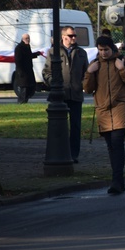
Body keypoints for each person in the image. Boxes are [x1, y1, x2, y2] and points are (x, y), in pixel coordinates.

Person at [83, 36, 125, 194]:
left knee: (117, 142)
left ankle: (117, 181)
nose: (103, 53)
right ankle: (118, 181)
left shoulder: (122, 60)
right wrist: (88, 72)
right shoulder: (95, 64)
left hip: (120, 106)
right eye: (100, 50)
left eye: (106, 49)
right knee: (111, 146)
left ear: (112, 48)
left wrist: (122, 69)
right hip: (103, 109)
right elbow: (87, 89)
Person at [43, 26, 89, 164]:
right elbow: (46, 72)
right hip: (60, 95)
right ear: (63, 37)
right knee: (59, 126)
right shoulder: (53, 52)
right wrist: (54, 84)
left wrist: (82, 84)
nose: (74, 38)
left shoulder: (81, 52)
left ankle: (73, 154)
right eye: (71, 35)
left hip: (75, 94)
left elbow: (86, 73)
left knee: (75, 126)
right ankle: (60, 152)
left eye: (75, 35)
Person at [14, 33, 40, 103]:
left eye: (28, 38)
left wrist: (36, 54)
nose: (28, 40)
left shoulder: (27, 46)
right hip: (23, 71)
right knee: (24, 88)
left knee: (30, 87)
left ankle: (25, 101)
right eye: (26, 38)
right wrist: (20, 71)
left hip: (28, 70)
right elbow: (18, 60)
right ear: (22, 39)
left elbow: (28, 56)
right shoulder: (19, 48)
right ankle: (21, 102)